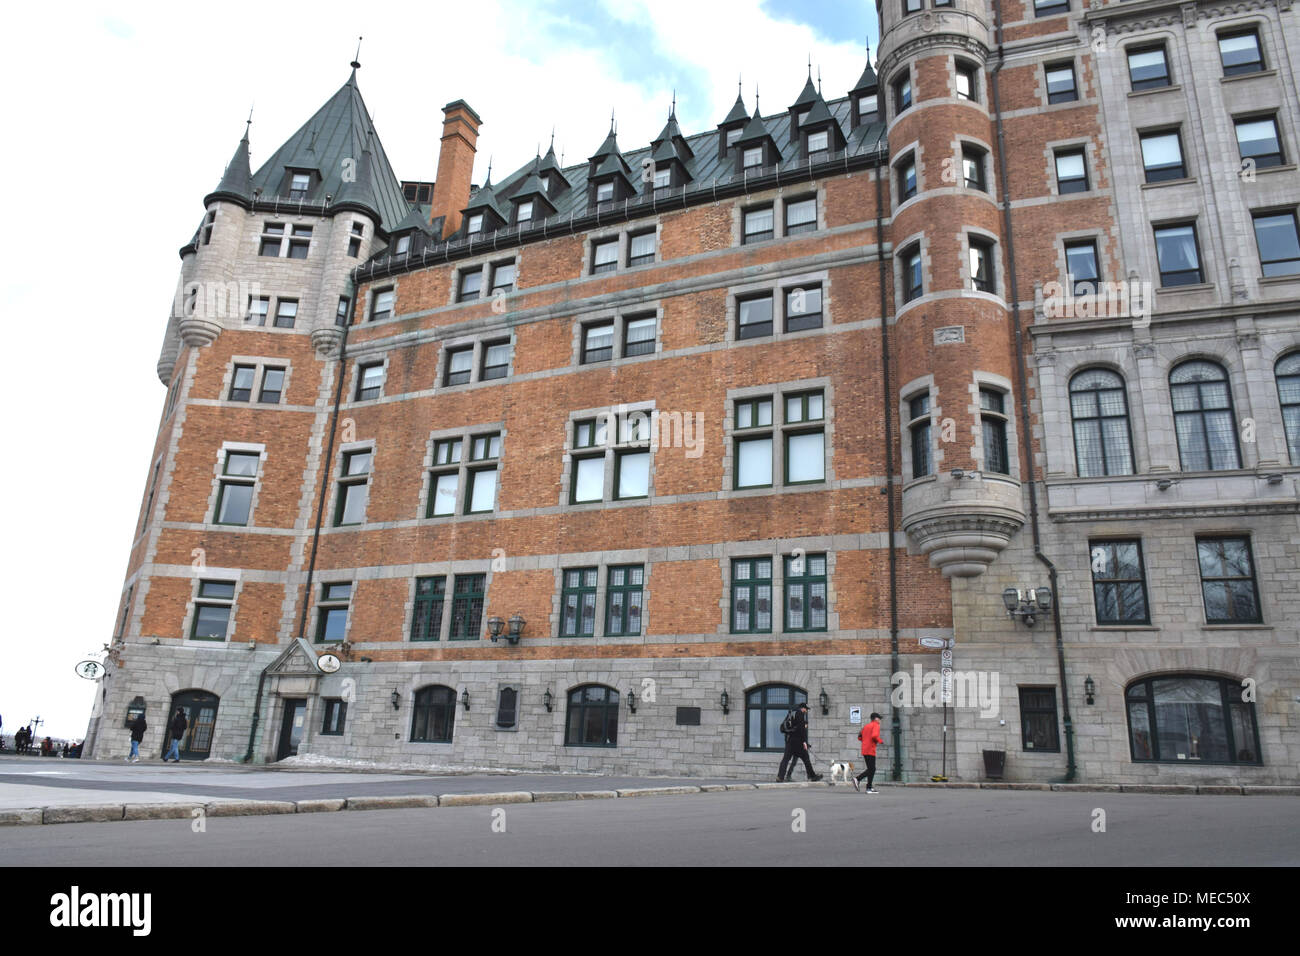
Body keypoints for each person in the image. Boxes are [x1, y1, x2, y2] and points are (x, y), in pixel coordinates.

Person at [777, 701, 823, 782]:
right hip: (798, 742)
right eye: (806, 709)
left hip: (789, 741)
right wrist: (804, 742)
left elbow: (786, 726)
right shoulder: (800, 714)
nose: (806, 711)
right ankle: (812, 776)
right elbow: (801, 730)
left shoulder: (791, 713)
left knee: (785, 759)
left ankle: (780, 777)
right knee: (806, 759)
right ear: (803, 708)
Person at [855, 712, 884, 793]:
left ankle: (869, 788)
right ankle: (857, 779)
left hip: (864, 749)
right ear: (876, 719)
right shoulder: (876, 725)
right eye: (879, 718)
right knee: (872, 769)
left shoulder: (866, 726)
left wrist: (866, 741)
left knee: (871, 769)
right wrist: (880, 741)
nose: (880, 720)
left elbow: (859, 737)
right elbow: (874, 736)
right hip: (870, 749)